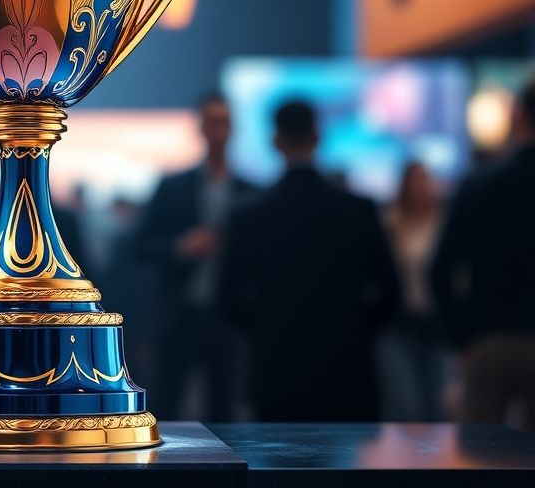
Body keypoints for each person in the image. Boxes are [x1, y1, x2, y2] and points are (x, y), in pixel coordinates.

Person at [217, 98, 400, 421]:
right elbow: (390, 292)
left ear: (275, 142)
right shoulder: (358, 211)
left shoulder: (249, 215)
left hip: (276, 368)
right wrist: (354, 330)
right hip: (347, 367)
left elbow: (228, 298)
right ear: (317, 137)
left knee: (279, 468)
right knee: (348, 467)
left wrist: (268, 330)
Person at [137, 90, 257, 420]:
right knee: (168, 411)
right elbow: (141, 245)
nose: (219, 130)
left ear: (233, 128)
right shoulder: (173, 186)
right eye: (212, 122)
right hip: (180, 315)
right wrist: (181, 246)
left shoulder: (251, 191)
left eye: (225, 122)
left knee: (226, 414)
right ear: (201, 127)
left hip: (229, 318)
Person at [431, 78, 535, 430]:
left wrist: (461, 340)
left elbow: (440, 271)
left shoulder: (478, 185)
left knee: (480, 461)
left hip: (488, 341)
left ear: (517, 116)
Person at [383, 161, 444, 420]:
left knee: (437, 404)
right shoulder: (391, 225)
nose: (421, 186)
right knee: (406, 404)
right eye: (415, 179)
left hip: (436, 322)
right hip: (400, 322)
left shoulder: (443, 225)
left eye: (425, 179)